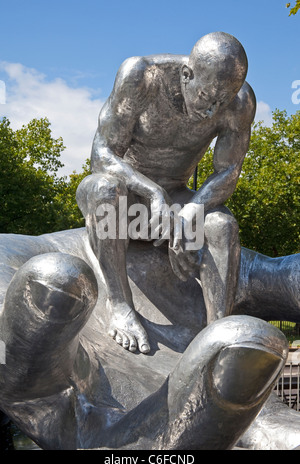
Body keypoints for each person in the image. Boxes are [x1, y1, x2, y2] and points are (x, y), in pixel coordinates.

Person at [76, 31, 256, 354]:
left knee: (222, 225)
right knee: (105, 189)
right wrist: (153, 193)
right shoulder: (141, 77)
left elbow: (229, 171)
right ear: (187, 75)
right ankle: (120, 306)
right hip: (126, 198)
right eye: (205, 96)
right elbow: (100, 155)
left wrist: (192, 210)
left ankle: (216, 340)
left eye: (221, 102)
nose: (210, 110)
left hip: (176, 202)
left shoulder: (240, 103)